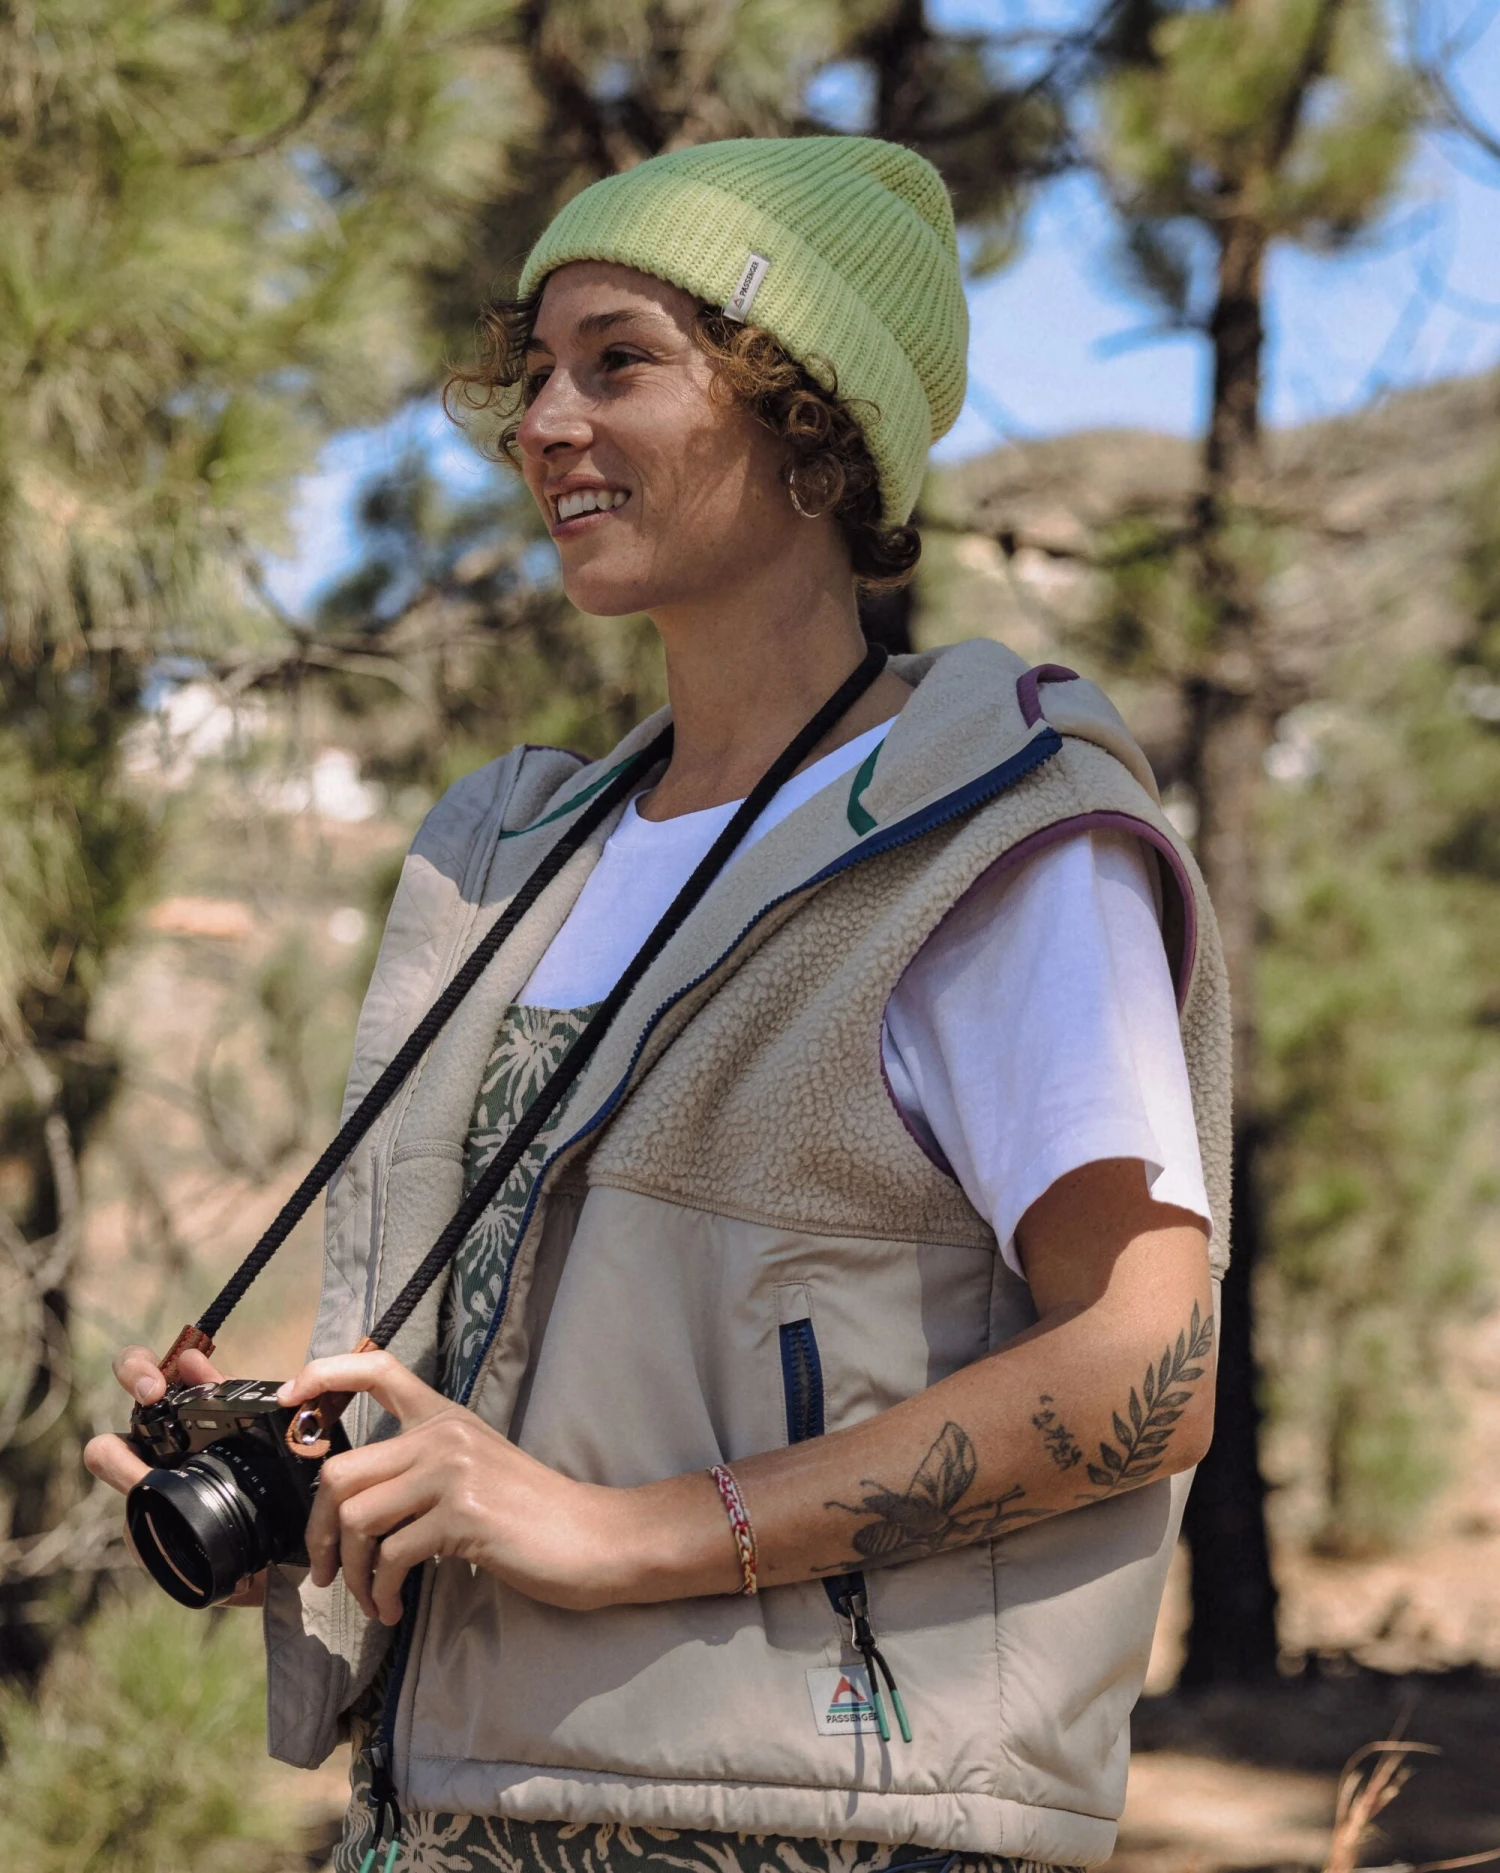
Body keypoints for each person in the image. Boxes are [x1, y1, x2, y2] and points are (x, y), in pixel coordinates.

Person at [88, 136, 1230, 1873]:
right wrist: (322, 1486)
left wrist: (618, 1534)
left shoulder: (998, 845)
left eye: (620, 362)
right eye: (535, 373)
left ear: (812, 424)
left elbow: (1154, 1358)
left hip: (820, 1828)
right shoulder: (533, 860)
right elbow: (570, 1413)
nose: (546, 423)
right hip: (458, 1810)